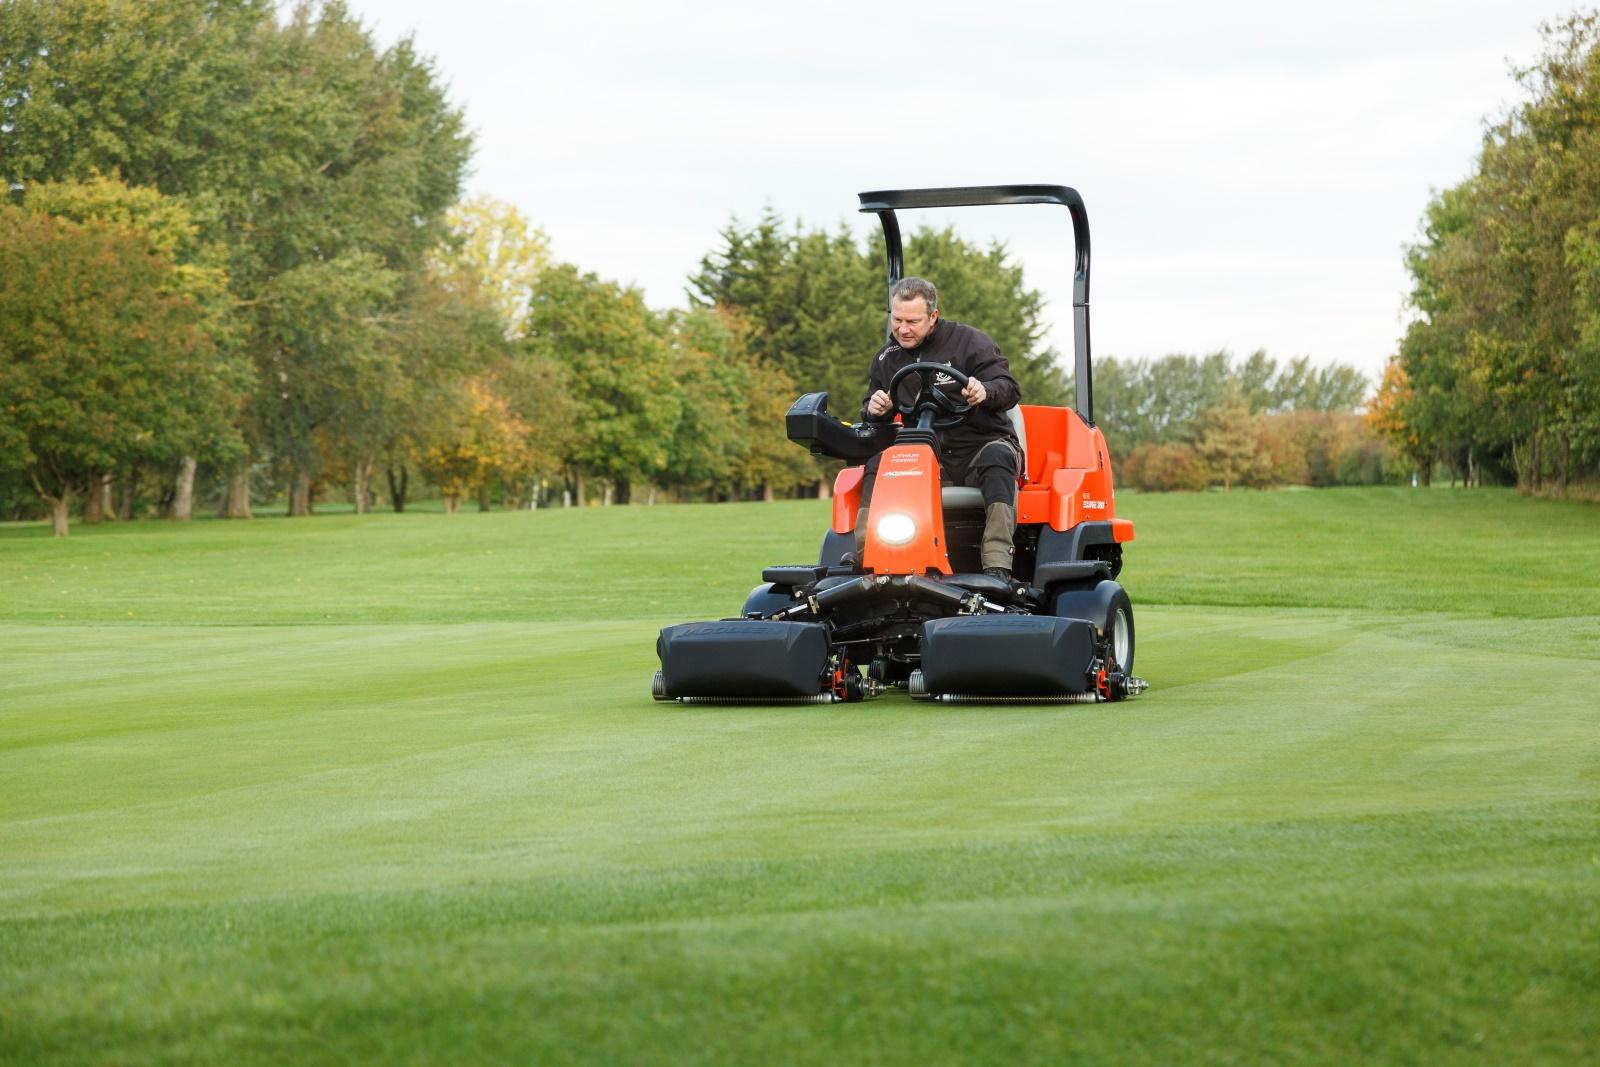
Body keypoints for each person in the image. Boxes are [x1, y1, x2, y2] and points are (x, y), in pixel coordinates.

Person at [856, 276, 1022, 579]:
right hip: (928, 455)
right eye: (897, 319)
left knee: (997, 457)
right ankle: (868, 556)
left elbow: (1008, 388)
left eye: (912, 321)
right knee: (879, 465)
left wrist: (984, 391)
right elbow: (870, 406)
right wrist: (874, 409)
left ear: (933, 316)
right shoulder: (886, 358)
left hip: (980, 445)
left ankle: (998, 564)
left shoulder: (970, 343)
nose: (903, 329)